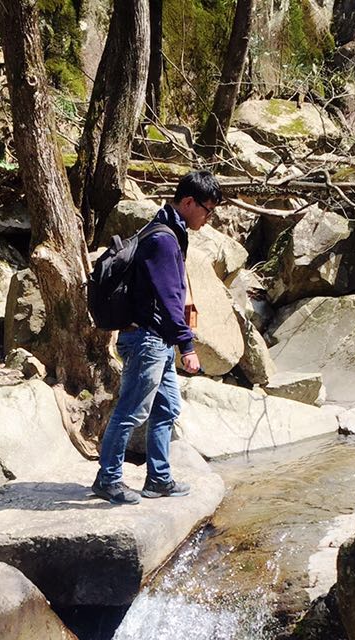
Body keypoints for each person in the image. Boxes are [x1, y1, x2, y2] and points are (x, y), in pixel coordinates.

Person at [90, 169, 222, 505]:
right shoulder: (163, 239)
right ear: (189, 202)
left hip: (155, 340)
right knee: (131, 411)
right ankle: (107, 479)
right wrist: (187, 346)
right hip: (146, 339)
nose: (208, 218)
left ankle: (159, 479)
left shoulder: (167, 232)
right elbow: (169, 297)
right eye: (207, 210)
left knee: (166, 408)